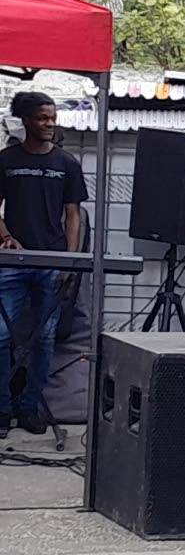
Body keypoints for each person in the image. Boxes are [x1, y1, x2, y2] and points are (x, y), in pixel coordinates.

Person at [0, 92, 86, 438]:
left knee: (45, 339)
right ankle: (3, 409)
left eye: (52, 118)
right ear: (26, 121)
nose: (49, 124)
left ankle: (29, 407)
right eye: (42, 118)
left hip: (52, 262)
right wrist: (5, 235)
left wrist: (70, 260)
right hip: (13, 262)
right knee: (2, 334)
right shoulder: (6, 160)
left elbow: (73, 216)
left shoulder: (67, 164)